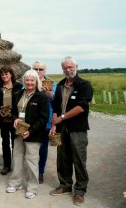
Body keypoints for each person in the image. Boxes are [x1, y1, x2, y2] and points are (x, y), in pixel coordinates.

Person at [49, 56, 93, 206]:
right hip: (61, 128)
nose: (68, 70)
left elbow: (81, 107)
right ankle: (65, 185)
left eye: (70, 67)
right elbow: (55, 106)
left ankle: (80, 191)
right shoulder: (61, 84)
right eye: (65, 68)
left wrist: (62, 117)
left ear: (76, 67)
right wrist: (55, 123)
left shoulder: (84, 85)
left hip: (77, 129)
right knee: (62, 158)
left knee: (79, 160)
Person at [6, 69, 49, 199]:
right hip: (18, 132)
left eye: (32, 80)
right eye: (27, 80)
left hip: (33, 134)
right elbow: (13, 111)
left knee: (32, 161)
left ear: (36, 81)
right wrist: (15, 119)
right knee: (17, 158)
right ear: (24, 81)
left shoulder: (41, 97)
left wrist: (30, 131)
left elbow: (43, 118)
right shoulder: (19, 93)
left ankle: (32, 187)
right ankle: (15, 183)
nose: (29, 82)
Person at [0, 66, 23, 175]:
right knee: (5, 142)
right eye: (2, 74)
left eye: (6, 74)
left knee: (16, 143)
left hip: (15, 120)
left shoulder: (19, 87)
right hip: (3, 120)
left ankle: (17, 165)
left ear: (11, 74)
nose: (4, 76)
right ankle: (7, 165)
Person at [32, 61, 57, 184]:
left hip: (46, 121)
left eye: (40, 69)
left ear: (44, 71)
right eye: (35, 68)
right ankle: (32, 170)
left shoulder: (52, 84)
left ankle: (40, 171)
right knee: (31, 148)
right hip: (31, 121)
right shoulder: (29, 82)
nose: (38, 71)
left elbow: (57, 103)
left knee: (43, 148)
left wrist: (50, 95)